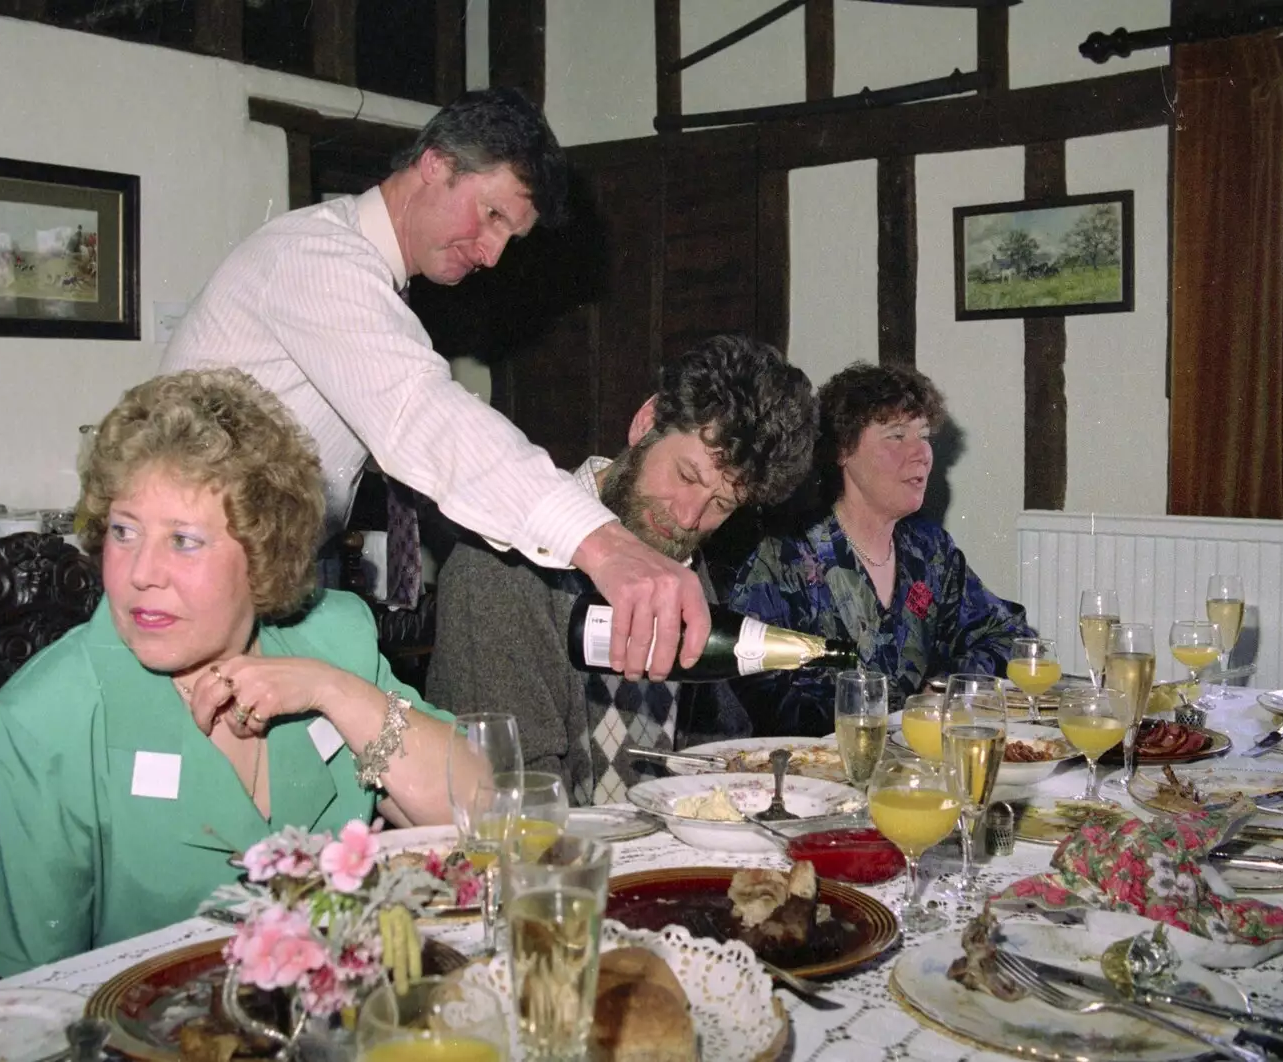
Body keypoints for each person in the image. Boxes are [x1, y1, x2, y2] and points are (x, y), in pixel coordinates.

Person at [161, 87, 708, 682]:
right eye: (493, 215)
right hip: (191, 591)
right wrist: (605, 545)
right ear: (435, 164)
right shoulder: (317, 259)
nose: (494, 255)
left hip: (266, 586)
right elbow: (420, 415)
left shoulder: (368, 278)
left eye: (509, 237)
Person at [0, 369, 477, 977]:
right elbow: (32, 1002)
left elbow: (482, 816)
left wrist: (331, 689)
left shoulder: (331, 638)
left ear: (263, 551)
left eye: (184, 541)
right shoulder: (44, 721)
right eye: (124, 532)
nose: (141, 573)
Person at [426, 335, 818, 805]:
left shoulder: (678, 559)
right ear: (645, 422)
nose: (689, 516)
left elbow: (717, 749)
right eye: (687, 476)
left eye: (722, 503)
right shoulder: (500, 565)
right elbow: (514, 795)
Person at [728, 363, 1034, 735]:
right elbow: (757, 694)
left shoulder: (930, 552)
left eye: (923, 435)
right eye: (896, 436)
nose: (921, 452)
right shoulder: (783, 558)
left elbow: (1011, 636)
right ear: (842, 449)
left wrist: (947, 687)